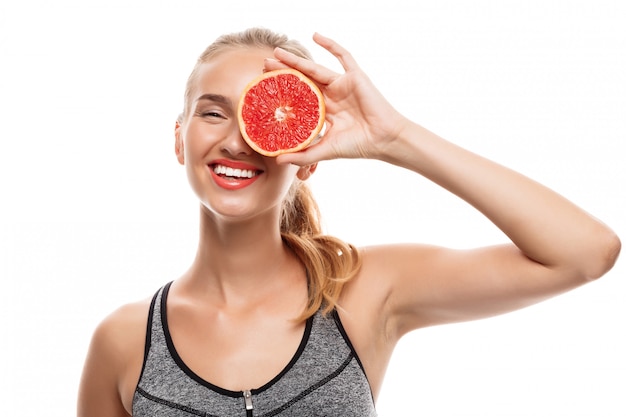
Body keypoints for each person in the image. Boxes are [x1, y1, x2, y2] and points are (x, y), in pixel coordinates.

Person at [77, 27, 620, 416]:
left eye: (268, 117)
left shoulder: (362, 291)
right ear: (179, 138)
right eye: (214, 112)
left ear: (310, 157)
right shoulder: (125, 341)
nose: (238, 140)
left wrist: (394, 138)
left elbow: (584, 252)